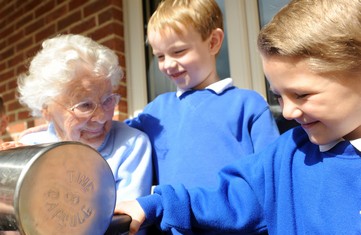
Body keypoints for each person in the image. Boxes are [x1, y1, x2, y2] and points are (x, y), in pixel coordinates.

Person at [115, 0, 361, 234]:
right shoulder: (288, 153)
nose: (287, 113)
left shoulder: (249, 106)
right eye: (279, 97)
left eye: (302, 94)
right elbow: (234, 195)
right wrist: (155, 204)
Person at [126, 0, 279, 192]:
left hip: (238, 221)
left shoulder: (247, 105)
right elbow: (110, 138)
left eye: (179, 51)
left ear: (213, 42)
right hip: (171, 222)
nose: (168, 65)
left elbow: (273, 177)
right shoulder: (154, 112)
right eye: (160, 56)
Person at [6, 34, 153, 207]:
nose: (101, 117)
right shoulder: (27, 148)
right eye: (84, 105)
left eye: (107, 100)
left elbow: (125, 224)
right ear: (46, 110)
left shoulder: (130, 145)